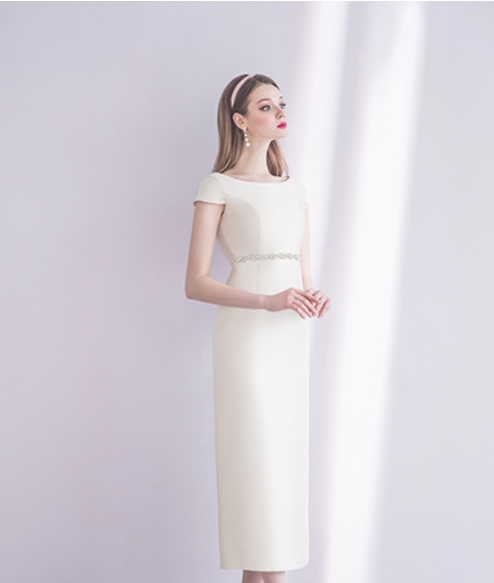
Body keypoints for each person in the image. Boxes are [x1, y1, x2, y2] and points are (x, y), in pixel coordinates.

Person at [185, 73, 331, 583]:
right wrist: (268, 301)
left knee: (283, 472)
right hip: (246, 341)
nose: (279, 112)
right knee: (257, 470)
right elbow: (196, 282)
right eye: (265, 106)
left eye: (280, 103)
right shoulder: (218, 186)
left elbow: (303, 275)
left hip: (288, 340)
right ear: (240, 121)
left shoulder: (296, 190)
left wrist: (312, 295)